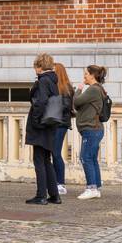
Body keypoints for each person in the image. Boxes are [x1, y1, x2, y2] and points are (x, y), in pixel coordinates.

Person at [24, 53, 61, 205]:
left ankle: (41, 195)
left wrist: (35, 120)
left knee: (39, 160)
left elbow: (40, 102)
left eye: (35, 66)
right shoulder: (53, 81)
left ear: (39, 67)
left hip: (41, 125)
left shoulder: (43, 81)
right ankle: (54, 195)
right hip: (50, 124)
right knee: (47, 160)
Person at [71, 64, 107, 200]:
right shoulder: (98, 89)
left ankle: (91, 187)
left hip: (91, 129)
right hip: (94, 129)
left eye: (86, 74)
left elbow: (76, 102)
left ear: (92, 75)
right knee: (91, 158)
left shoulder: (93, 90)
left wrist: (79, 89)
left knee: (85, 157)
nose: (84, 76)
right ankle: (96, 188)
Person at [50, 62, 75, 196]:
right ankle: (55, 182)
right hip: (55, 123)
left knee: (56, 153)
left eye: (53, 71)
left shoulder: (65, 87)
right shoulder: (55, 86)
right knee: (53, 153)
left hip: (61, 124)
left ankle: (60, 183)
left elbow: (66, 106)